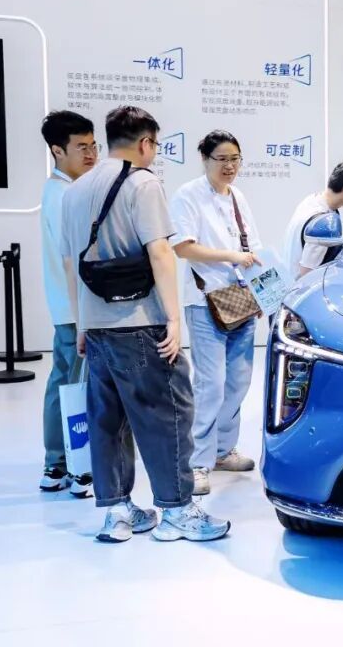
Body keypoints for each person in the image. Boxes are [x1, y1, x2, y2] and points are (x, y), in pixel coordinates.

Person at [61, 105, 229, 543]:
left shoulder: (75, 190)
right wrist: (173, 318)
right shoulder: (143, 182)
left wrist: (81, 324)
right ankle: (177, 510)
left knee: (107, 420)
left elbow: (70, 263)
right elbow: (160, 252)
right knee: (167, 412)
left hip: (96, 325)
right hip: (140, 321)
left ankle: (118, 512)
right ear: (145, 143)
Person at [170, 131, 263, 496]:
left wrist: (262, 294)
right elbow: (183, 247)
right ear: (204, 159)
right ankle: (197, 462)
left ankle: (223, 451)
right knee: (210, 385)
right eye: (221, 159)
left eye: (235, 158)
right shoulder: (188, 195)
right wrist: (231, 257)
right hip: (205, 300)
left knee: (238, 381)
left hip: (240, 301)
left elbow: (253, 251)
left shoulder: (238, 197)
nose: (229, 166)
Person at [39, 111, 97, 496]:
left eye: (93, 145)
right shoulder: (65, 196)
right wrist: (83, 319)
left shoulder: (58, 190)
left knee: (62, 383)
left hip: (67, 308)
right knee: (74, 388)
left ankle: (57, 464)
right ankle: (73, 468)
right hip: (76, 311)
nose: (90, 154)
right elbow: (72, 261)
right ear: (58, 151)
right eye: (81, 147)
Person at [283, 158, 343, 282]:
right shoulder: (323, 224)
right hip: (299, 287)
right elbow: (307, 277)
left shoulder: (311, 200)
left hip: (287, 279)